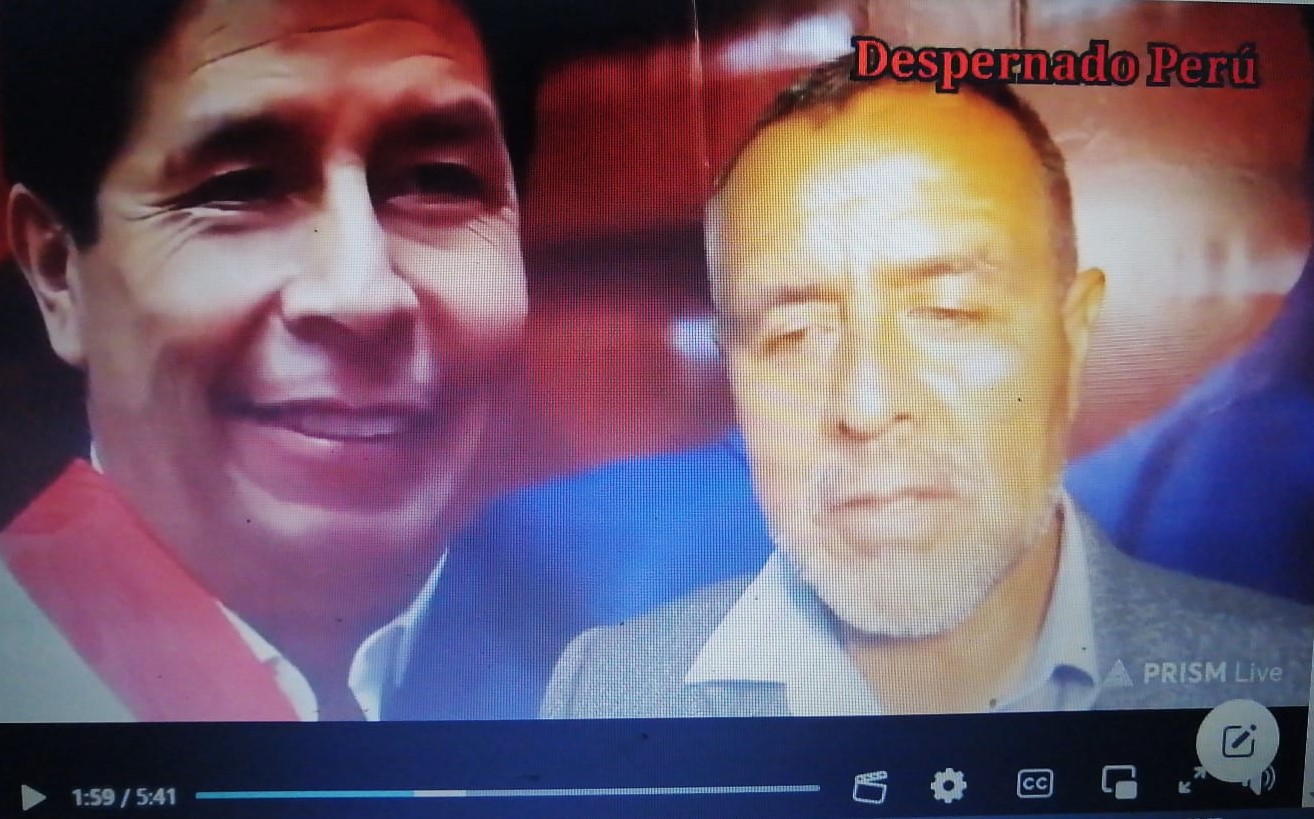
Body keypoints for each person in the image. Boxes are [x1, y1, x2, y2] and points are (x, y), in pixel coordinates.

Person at [542, 57, 1314, 718]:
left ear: (1073, 338)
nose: (867, 405)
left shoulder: (1282, 677)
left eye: (948, 311)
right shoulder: (608, 693)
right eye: (794, 333)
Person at [0, 0, 526, 721]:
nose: (362, 295)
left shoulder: (631, 653)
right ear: (57, 273)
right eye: (239, 187)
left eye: (438, 181)